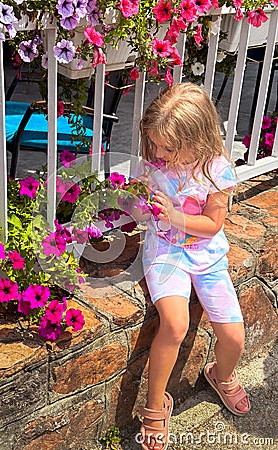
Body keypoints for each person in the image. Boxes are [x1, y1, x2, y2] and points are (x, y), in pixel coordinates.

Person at [129, 83, 250, 450]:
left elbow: (213, 226)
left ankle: (220, 374)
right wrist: (137, 205)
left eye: (168, 148)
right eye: (154, 145)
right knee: (175, 324)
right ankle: (155, 405)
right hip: (165, 252)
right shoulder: (153, 164)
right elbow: (138, 207)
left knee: (234, 337)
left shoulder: (216, 169)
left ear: (197, 139)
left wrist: (175, 215)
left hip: (207, 256)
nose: (158, 153)